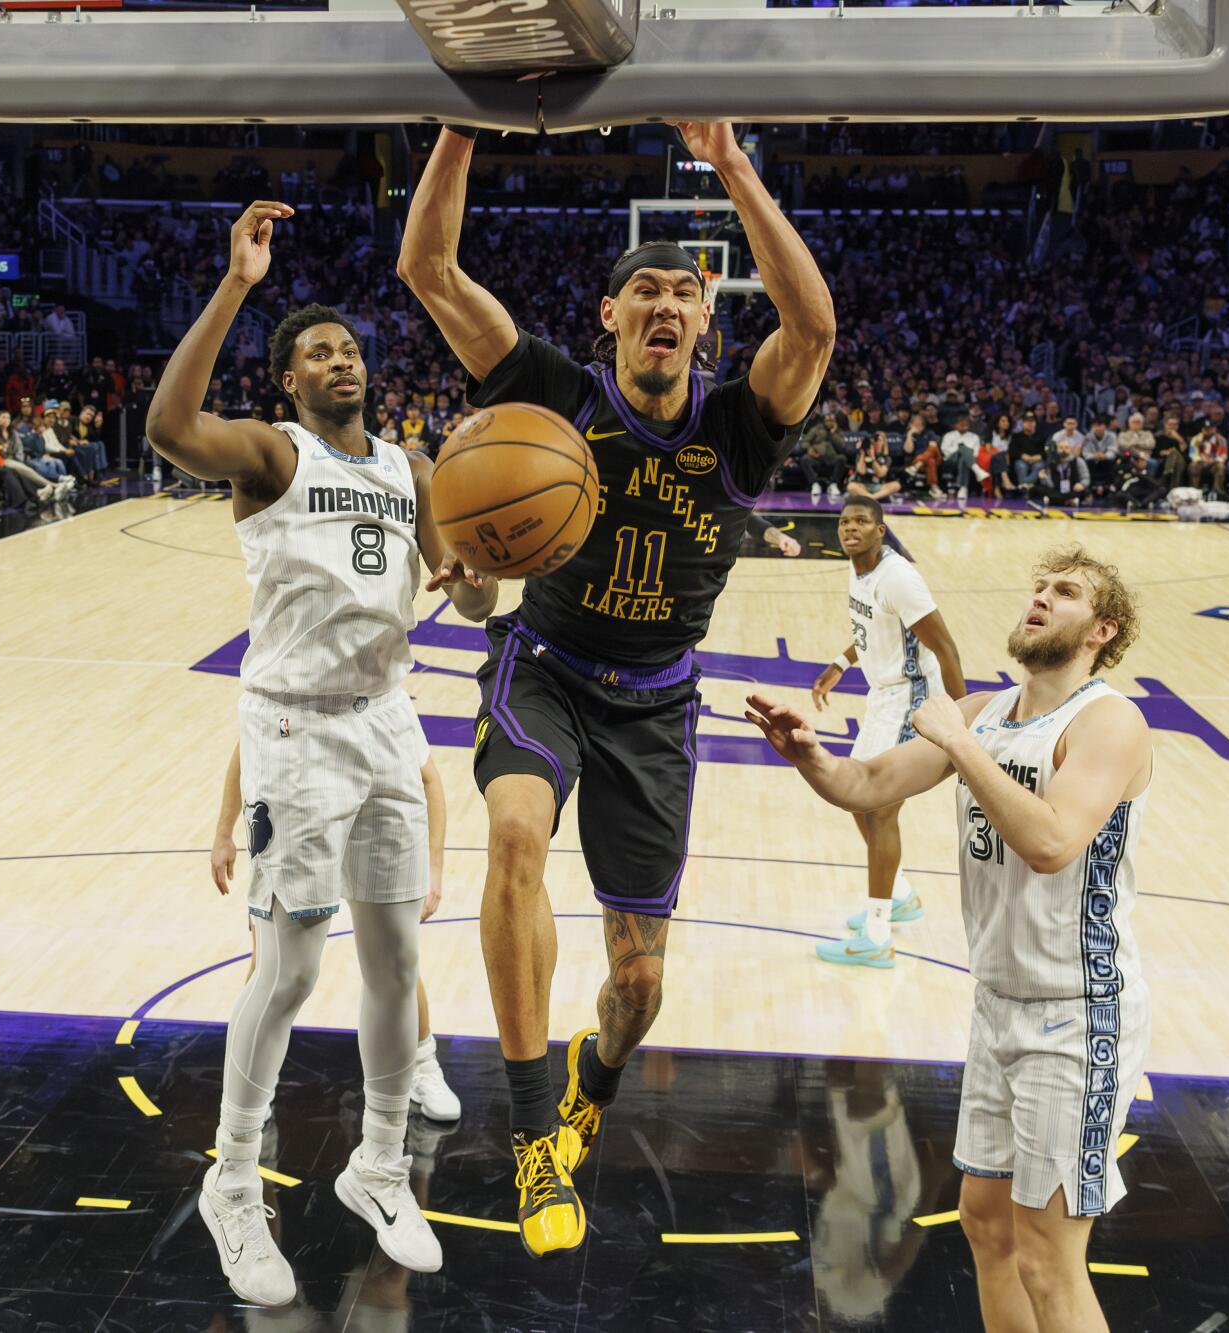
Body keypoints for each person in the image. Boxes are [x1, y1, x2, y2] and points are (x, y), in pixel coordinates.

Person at [397, 121, 833, 1258]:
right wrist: (460, 125)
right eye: (644, 289)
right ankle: (530, 1131)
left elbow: (814, 328)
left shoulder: (738, 426)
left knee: (638, 984)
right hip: (544, 667)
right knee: (513, 835)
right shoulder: (552, 391)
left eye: (684, 293)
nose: (664, 304)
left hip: (656, 699)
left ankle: (593, 1075)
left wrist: (731, 163)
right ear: (611, 315)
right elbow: (428, 271)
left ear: (705, 320)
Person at [145, 199, 498, 1304]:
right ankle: (232, 1181)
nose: (341, 360)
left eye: (350, 348)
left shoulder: (409, 466)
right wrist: (237, 285)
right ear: (288, 381)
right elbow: (168, 424)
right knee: (291, 969)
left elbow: (471, 598)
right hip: (294, 728)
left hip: (386, 717)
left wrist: (480, 569)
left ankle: (379, 1166)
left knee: (396, 961)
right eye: (318, 353)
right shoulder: (271, 454)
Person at [748, 545, 1152, 1333]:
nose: (1042, 596)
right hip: (999, 1005)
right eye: (1039, 585)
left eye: (1066, 592)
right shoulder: (983, 713)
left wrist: (964, 747)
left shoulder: (1109, 721)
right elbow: (868, 783)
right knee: (986, 1225)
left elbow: (1053, 840)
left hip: (1079, 1014)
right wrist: (811, 756)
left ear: (1102, 629)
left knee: (1048, 1258)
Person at [210, 738, 465, 1121]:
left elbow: (429, 778)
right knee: (272, 965)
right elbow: (246, 746)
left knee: (395, 956)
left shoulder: (377, 710)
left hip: (371, 829)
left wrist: (435, 866)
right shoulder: (284, 706)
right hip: (300, 829)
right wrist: (223, 833)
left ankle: (423, 1064)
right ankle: (254, 1089)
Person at [807, 496, 964, 967]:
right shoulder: (859, 569)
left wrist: (962, 723)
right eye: (844, 521)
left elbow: (947, 649)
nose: (850, 528)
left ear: (880, 531)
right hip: (882, 699)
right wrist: (839, 664)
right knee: (857, 798)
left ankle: (877, 935)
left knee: (877, 810)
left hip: (911, 699)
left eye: (861, 522)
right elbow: (870, 629)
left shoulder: (898, 578)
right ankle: (899, 896)